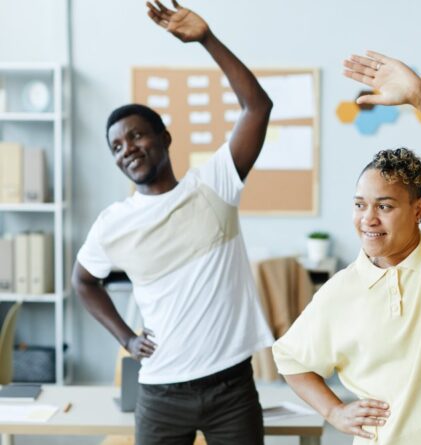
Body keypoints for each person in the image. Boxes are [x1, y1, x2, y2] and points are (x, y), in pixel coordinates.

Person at [272, 51, 421, 444]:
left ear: (418, 211)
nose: (369, 218)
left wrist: (420, 96)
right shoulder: (341, 290)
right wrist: (333, 410)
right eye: (360, 205)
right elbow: (291, 359)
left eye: (385, 206)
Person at [72, 1, 273, 443]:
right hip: (161, 394)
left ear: (165, 138)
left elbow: (257, 108)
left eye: (137, 135)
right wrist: (126, 338)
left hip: (231, 387)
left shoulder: (214, 185)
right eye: (117, 146)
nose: (128, 148)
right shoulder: (113, 224)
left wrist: (206, 39)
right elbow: (84, 283)